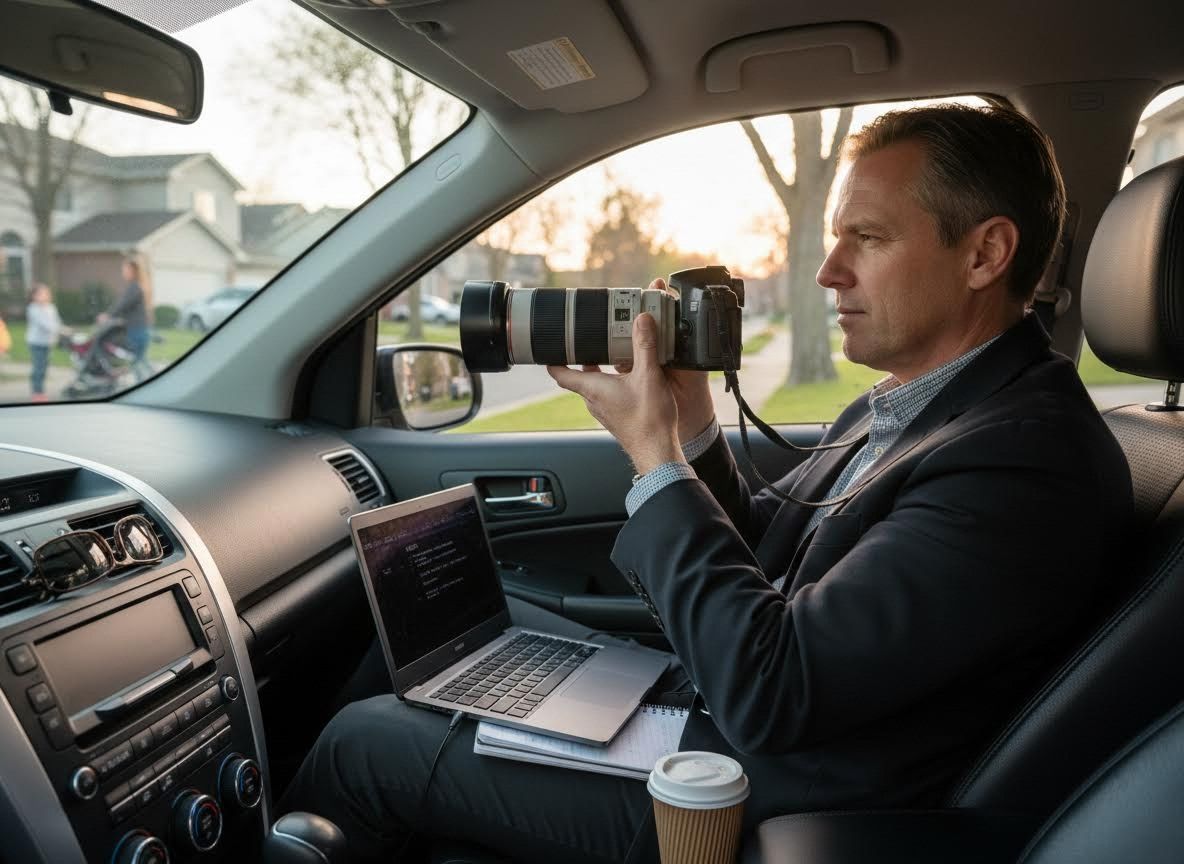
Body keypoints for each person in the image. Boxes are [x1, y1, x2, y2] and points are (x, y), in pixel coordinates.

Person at [281, 104, 1132, 863]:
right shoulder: (928, 403)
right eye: (837, 237)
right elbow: (771, 552)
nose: (829, 270)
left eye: (867, 238)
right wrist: (689, 429)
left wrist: (654, 460)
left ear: (985, 252)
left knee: (365, 742)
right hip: (729, 715)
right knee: (426, 628)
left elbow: (774, 692)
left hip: (761, 788)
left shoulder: (1023, 461)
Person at [100, 256, 153, 381]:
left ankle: (146, 387)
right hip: (139, 329)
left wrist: (107, 315)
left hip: (136, 330)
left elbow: (122, 304)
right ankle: (151, 384)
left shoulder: (134, 287)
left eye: (124, 270)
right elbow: (128, 308)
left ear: (132, 271)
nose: (123, 273)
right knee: (140, 361)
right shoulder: (136, 286)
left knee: (137, 362)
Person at [25, 283, 61, 402]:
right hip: (36, 343)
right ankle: (37, 392)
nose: (44, 296)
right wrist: (60, 330)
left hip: (47, 343)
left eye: (46, 294)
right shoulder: (33, 309)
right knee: (38, 367)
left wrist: (61, 329)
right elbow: (45, 324)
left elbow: (56, 322)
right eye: (41, 294)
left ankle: (40, 391)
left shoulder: (51, 308)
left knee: (44, 367)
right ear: (34, 296)